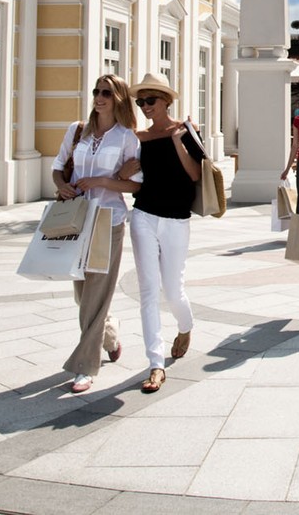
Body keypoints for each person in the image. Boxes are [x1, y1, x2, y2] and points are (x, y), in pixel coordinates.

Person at [51, 74, 143, 393]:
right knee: (82, 293)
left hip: (109, 219)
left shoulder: (128, 138)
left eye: (106, 92)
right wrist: (63, 187)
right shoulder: (78, 131)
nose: (99, 97)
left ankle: (85, 366)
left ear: (118, 99)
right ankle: (109, 333)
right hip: (77, 219)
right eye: (96, 91)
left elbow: (136, 184)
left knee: (96, 293)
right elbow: (58, 166)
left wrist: (103, 181)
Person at [121, 73, 203, 394]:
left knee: (173, 290)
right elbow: (127, 173)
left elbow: (195, 174)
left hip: (176, 220)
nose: (144, 107)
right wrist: (124, 170)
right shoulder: (137, 138)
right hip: (143, 214)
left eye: (150, 101)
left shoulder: (186, 132)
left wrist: (176, 142)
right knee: (148, 291)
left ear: (166, 101)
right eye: (140, 102)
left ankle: (186, 326)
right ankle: (156, 363)